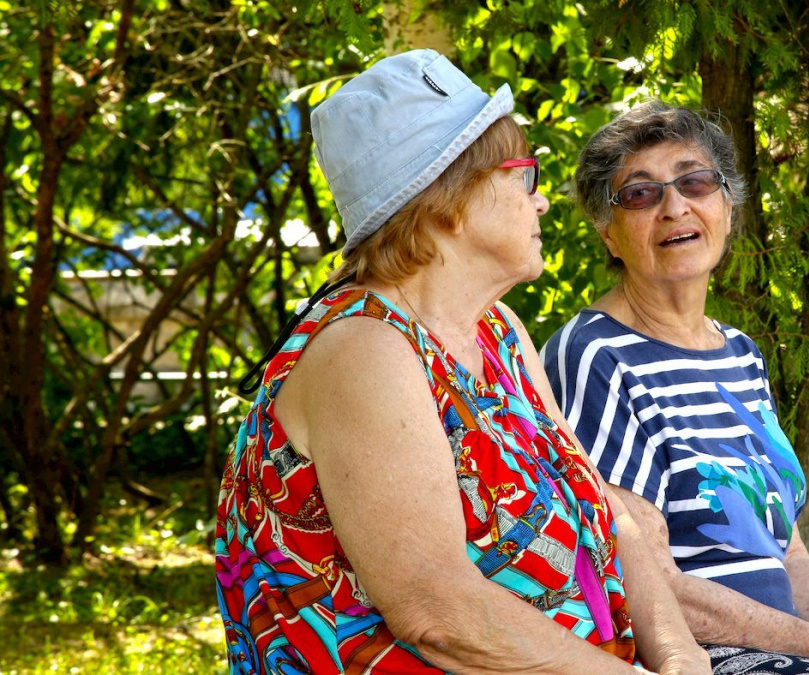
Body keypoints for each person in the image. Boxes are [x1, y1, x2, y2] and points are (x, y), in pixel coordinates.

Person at [215, 51, 712, 674]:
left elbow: (606, 512)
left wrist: (680, 656)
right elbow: (439, 615)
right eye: (524, 175)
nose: (543, 204)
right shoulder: (364, 352)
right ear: (450, 196)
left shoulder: (498, 331)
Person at [541, 101, 809, 675]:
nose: (674, 206)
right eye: (640, 194)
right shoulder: (594, 355)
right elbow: (653, 584)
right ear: (608, 233)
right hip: (697, 656)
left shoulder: (740, 354)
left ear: (728, 208)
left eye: (696, 181)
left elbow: (789, 559)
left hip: (789, 652)